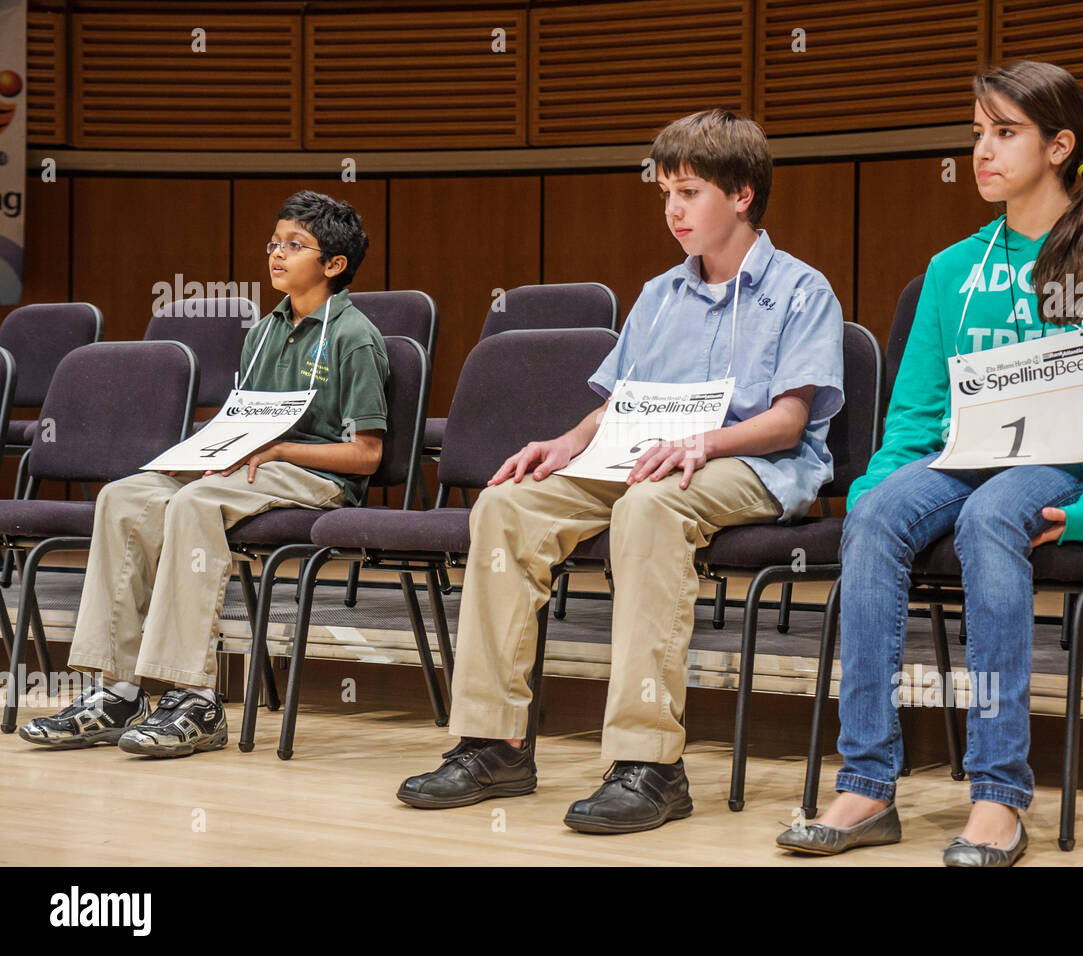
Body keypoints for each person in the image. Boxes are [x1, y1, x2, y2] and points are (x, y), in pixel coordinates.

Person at [397, 108, 845, 834]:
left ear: (741, 194)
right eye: (665, 191)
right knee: (507, 506)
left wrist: (706, 441)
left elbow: (790, 420)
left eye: (689, 191)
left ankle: (650, 765)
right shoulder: (659, 294)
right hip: (647, 457)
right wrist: (567, 441)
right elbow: (617, 407)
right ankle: (495, 742)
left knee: (650, 508)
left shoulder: (800, 289)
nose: (672, 208)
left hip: (752, 464)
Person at [776, 61, 1083, 865]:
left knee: (994, 517)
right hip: (968, 454)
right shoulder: (953, 270)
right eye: (977, 134)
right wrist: (878, 481)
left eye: (1006, 133)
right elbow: (918, 411)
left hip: (1065, 463)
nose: (982, 152)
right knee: (876, 512)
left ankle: (997, 796)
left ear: (1060, 146)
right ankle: (866, 784)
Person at [19, 190, 389, 758]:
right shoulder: (263, 331)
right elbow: (243, 419)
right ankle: (117, 692)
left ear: (334, 265)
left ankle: (195, 698)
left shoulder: (353, 335)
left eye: (295, 246)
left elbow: (365, 456)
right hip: (251, 466)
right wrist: (202, 451)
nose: (277, 255)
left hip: (316, 477)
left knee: (194, 505)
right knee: (123, 497)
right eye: (274, 243)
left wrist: (284, 452)